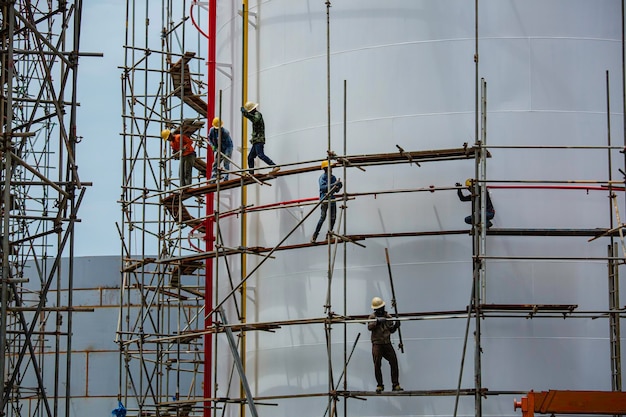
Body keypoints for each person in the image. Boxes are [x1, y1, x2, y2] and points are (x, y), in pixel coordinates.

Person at [368, 297, 403, 393]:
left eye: (382, 308)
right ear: (375, 310)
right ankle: (379, 385)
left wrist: (396, 326)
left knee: (394, 362)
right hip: (377, 344)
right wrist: (377, 322)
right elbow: (369, 327)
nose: (381, 310)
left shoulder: (388, 317)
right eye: (379, 309)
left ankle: (395, 384)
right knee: (377, 364)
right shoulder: (372, 317)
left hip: (387, 343)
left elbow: (391, 330)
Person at [240, 101, 280, 174]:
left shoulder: (258, 115)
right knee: (250, 157)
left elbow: (255, 120)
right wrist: (246, 114)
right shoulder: (254, 115)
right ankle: (251, 173)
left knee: (260, 155)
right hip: (256, 141)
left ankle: (274, 166)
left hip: (259, 140)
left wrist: (246, 114)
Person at [311, 160, 342, 243]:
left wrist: (338, 186)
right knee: (322, 218)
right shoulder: (323, 177)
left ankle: (329, 235)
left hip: (332, 200)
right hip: (324, 200)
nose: (331, 169)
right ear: (325, 169)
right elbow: (323, 188)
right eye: (329, 168)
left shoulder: (333, 177)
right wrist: (334, 185)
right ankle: (315, 235)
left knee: (333, 218)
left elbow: (336, 190)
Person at [208, 117, 234, 182]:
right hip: (219, 148)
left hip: (227, 148)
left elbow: (228, 145)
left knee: (226, 162)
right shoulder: (212, 130)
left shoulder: (225, 132)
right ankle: (213, 178)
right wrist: (212, 146)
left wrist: (227, 154)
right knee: (216, 163)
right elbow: (210, 139)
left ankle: (226, 178)